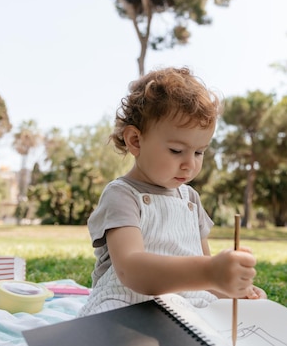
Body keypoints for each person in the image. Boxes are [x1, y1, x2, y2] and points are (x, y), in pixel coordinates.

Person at [78, 67, 266, 317]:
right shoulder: (122, 195)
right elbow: (130, 269)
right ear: (135, 141)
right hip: (127, 303)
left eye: (199, 152)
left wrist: (234, 289)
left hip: (186, 303)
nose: (190, 163)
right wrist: (210, 271)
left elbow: (206, 274)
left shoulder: (190, 199)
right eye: (177, 150)